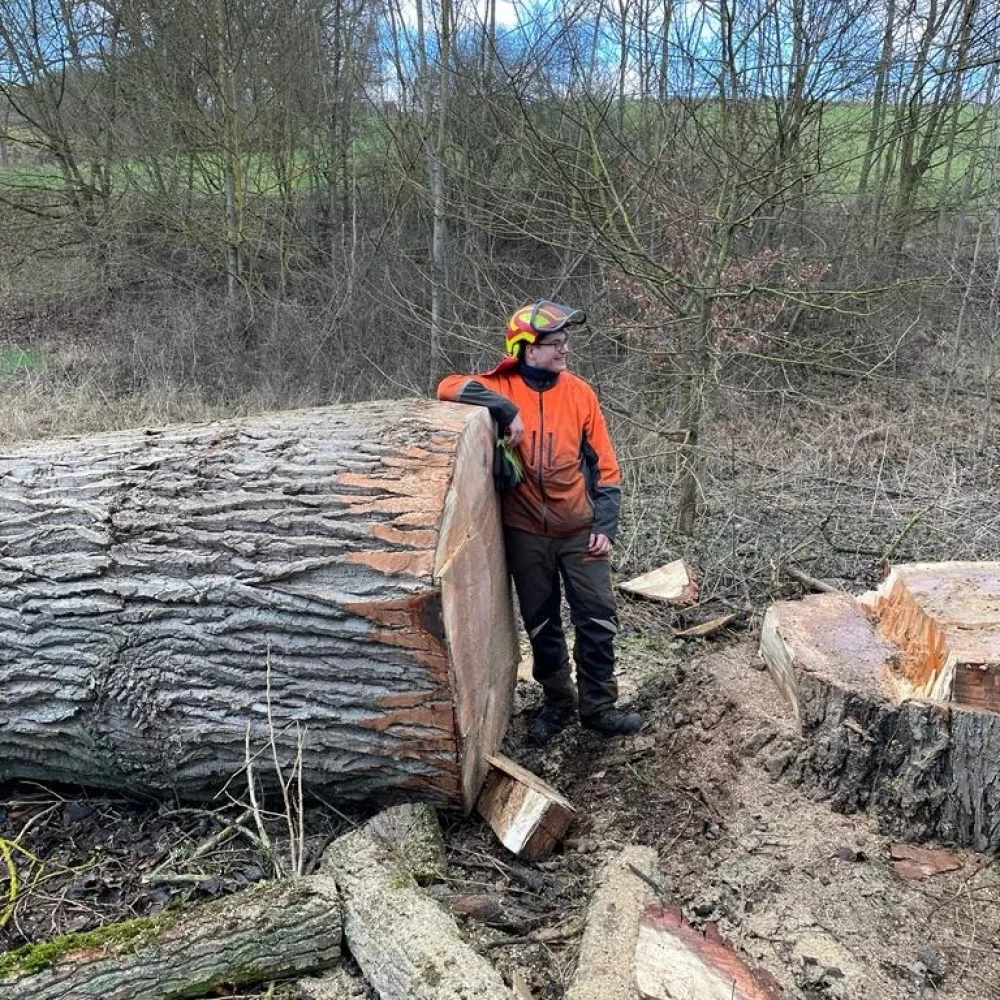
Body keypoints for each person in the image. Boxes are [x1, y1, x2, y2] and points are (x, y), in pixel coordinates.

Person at [438, 300, 643, 744]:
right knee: (542, 622)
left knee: (597, 618)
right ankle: (557, 702)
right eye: (555, 344)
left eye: (565, 342)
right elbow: (447, 386)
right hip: (526, 531)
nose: (564, 350)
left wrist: (604, 526)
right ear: (528, 349)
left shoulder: (580, 393)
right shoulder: (502, 385)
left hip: (580, 530)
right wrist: (503, 408)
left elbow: (606, 468)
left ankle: (599, 706)